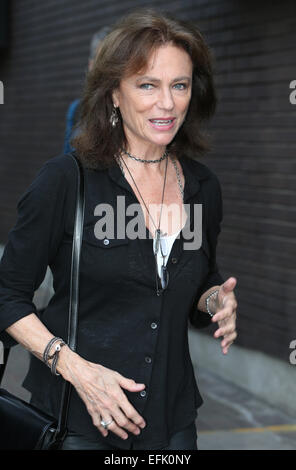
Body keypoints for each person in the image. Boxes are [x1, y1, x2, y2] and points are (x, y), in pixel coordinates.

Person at [0, 9, 238, 450]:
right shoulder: (66, 180)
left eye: (179, 85)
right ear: (113, 93)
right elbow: (7, 295)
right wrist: (77, 370)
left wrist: (215, 300)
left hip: (172, 422)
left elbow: (194, 287)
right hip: (79, 421)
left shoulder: (204, 187)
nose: (166, 103)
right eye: (147, 84)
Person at [63, 26, 112, 154]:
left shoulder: (130, 110)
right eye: (102, 62)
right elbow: (67, 161)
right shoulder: (77, 109)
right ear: (91, 65)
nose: (108, 70)